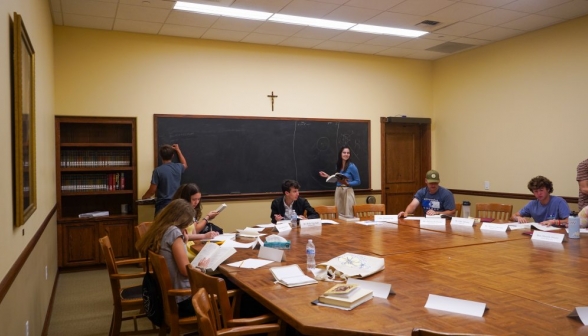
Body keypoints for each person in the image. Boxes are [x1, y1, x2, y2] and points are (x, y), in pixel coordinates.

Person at [135, 199, 209, 318]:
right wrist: (201, 267)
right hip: (184, 299)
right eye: (187, 223)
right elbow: (185, 271)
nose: (187, 226)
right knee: (227, 287)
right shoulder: (173, 232)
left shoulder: (160, 229)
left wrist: (183, 243)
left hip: (167, 296)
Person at [173, 183, 222, 260]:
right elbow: (181, 236)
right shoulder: (179, 213)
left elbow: (194, 233)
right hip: (184, 248)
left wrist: (207, 236)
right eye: (194, 199)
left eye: (198, 199)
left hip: (192, 246)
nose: (197, 202)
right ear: (185, 198)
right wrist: (205, 236)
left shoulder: (191, 212)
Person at [142, 144, 187, 216]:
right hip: (176, 203)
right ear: (172, 156)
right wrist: (178, 150)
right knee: (174, 226)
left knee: (161, 226)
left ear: (161, 156)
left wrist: (144, 197)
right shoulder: (178, 167)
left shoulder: (158, 171)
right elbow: (184, 164)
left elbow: (152, 190)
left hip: (163, 204)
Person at [319, 146, 361, 217]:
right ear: (340, 154)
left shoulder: (352, 166)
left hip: (347, 190)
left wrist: (348, 183)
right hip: (338, 190)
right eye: (344, 152)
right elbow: (338, 179)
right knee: (339, 214)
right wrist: (328, 176)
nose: (346, 154)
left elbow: (358, 181)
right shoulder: (338, 166)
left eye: (348, 153)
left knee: (349, 213)